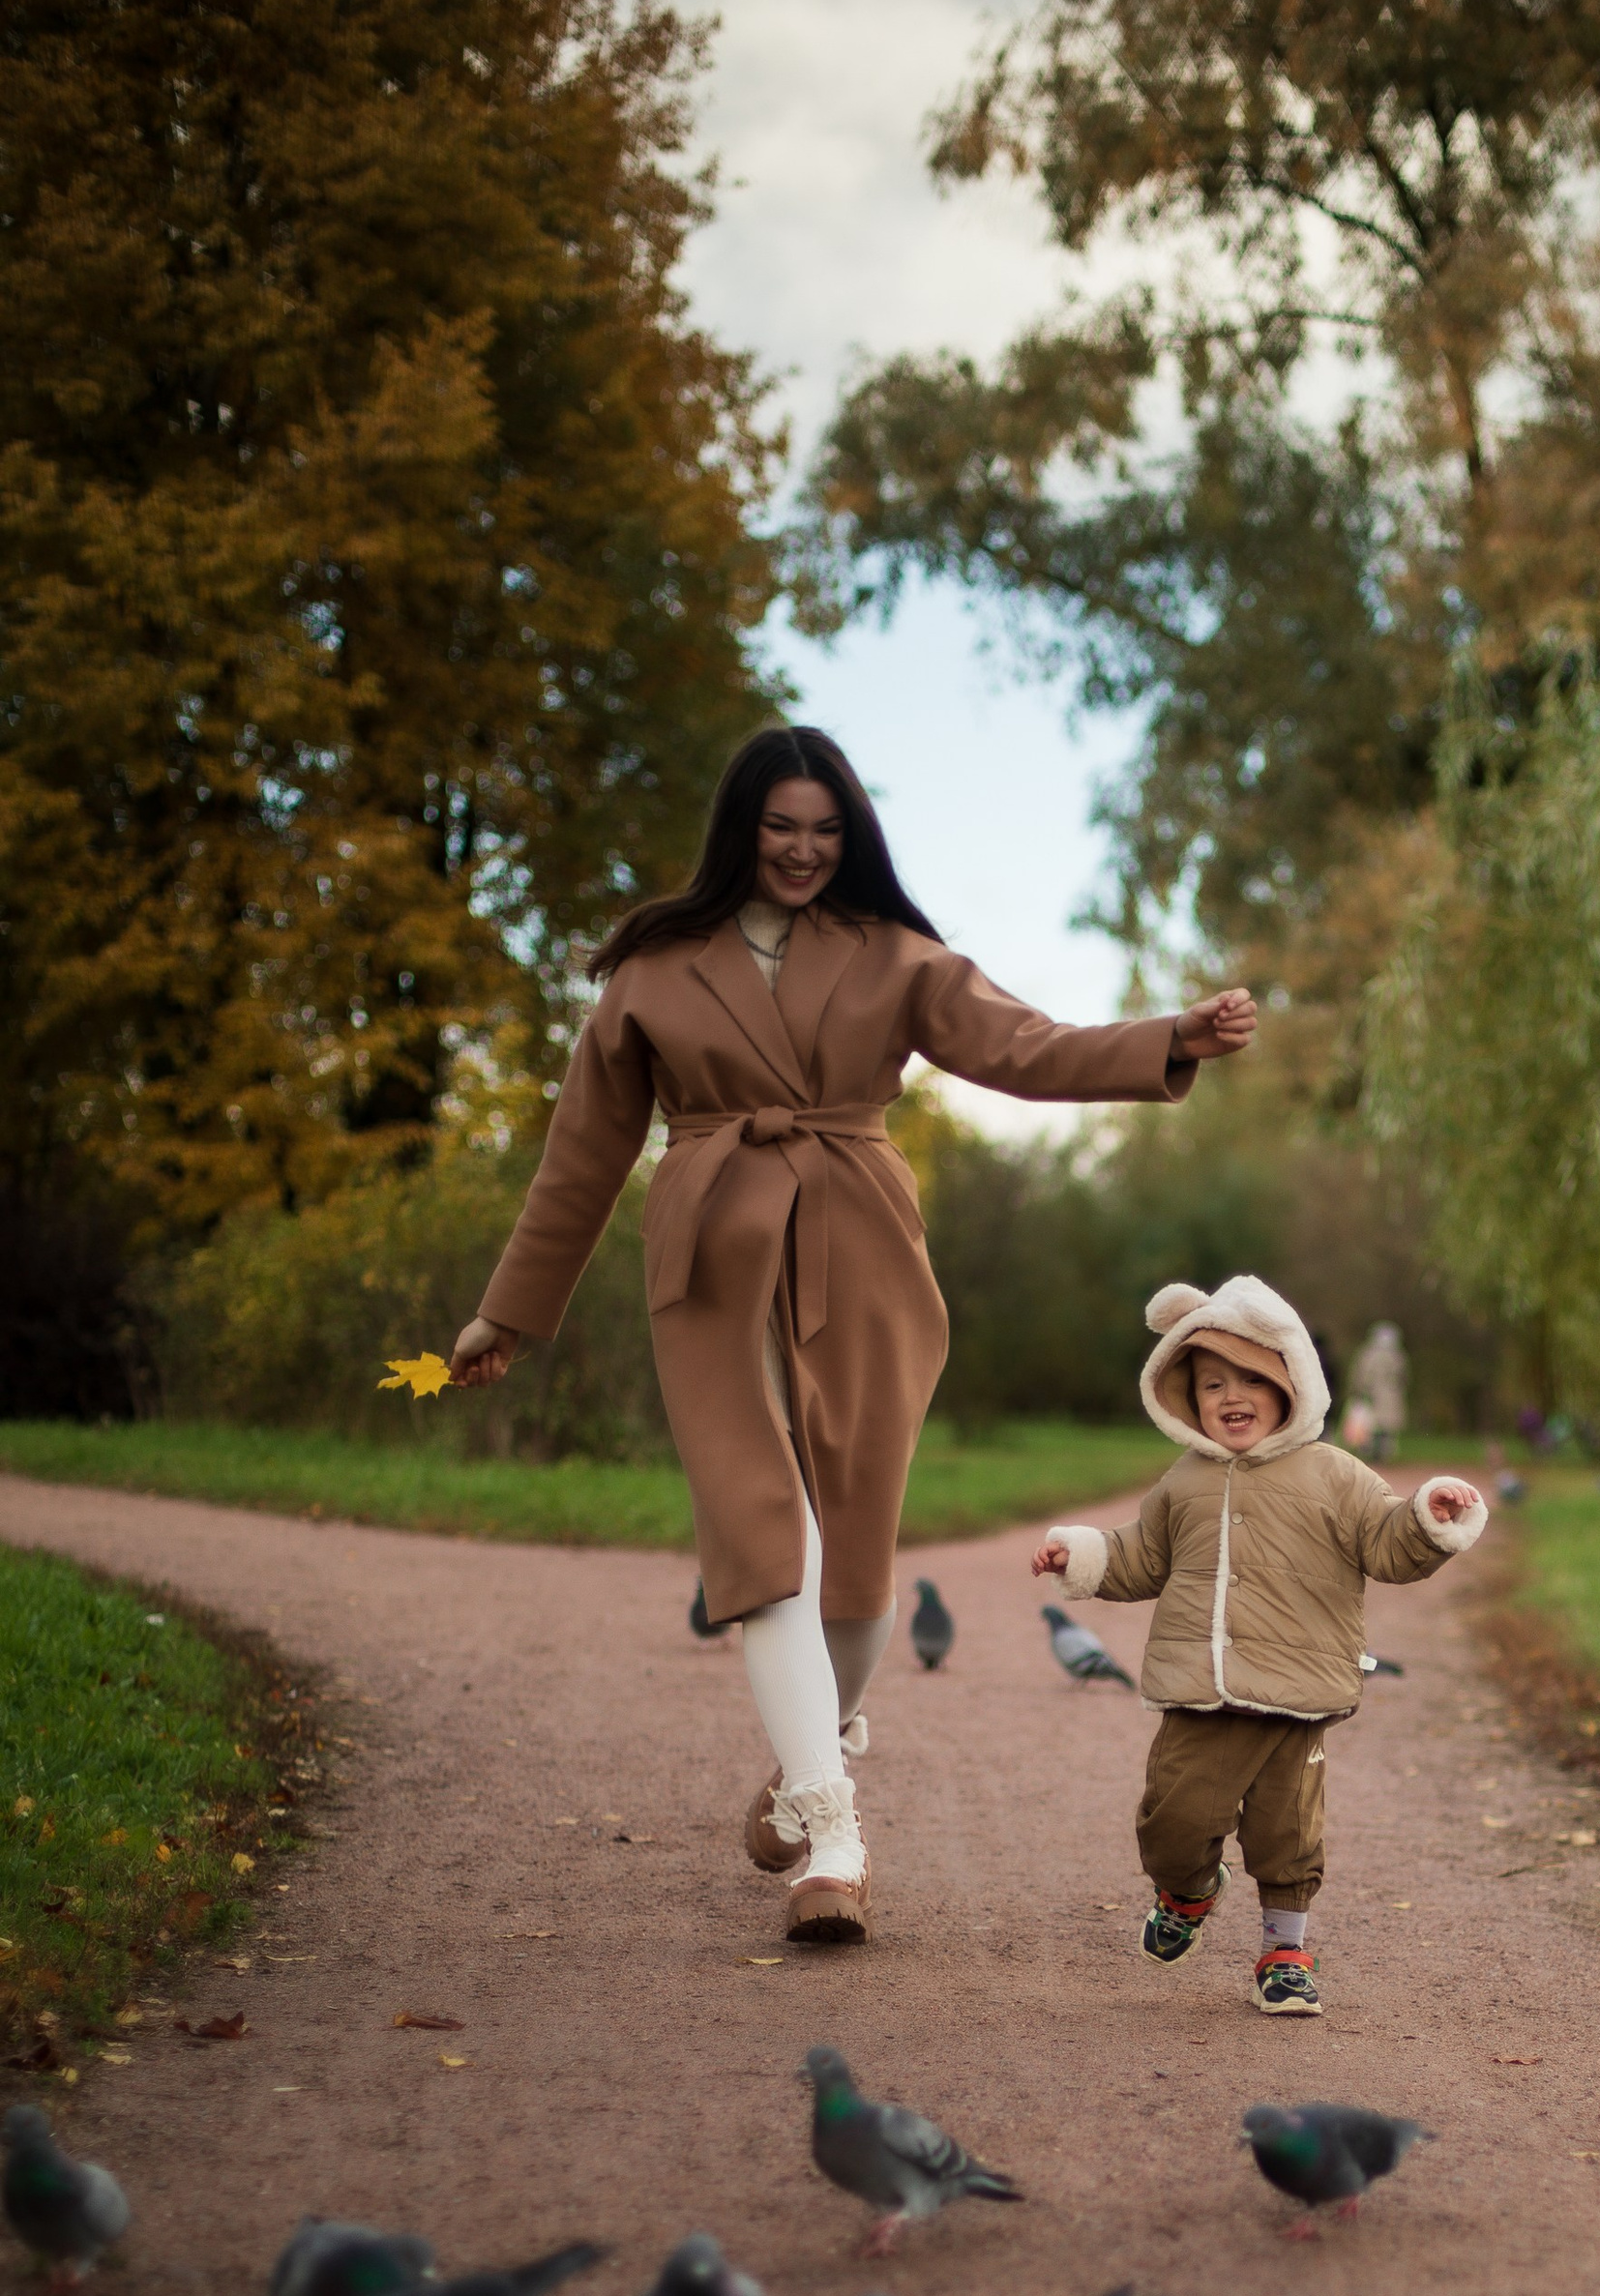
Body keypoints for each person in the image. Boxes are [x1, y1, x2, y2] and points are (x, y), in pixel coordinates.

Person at [449, 725, 1254, 1941]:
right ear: (741, 830)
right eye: (781, 828)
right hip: (711, 1246)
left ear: (851, 838)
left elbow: (1020, 1048)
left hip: (862, 1241)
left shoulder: (893, 955)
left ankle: (801, 1754)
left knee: (860, 1548)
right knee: (762, 1522)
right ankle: (831, 1829)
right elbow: (583, 1152)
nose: (803, 852)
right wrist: (508, 1312)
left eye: (826, 832)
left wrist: (1168, 1040)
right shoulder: (653, 970)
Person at [1032, 1277, 1485, 2016]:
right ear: (1186, 1395)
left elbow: (1387, 1541)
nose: (1230, 1395)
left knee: (1287, 1837)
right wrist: (1080, 1557)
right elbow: (1143, 1555)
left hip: (1299, 1697)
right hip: (1200, 1693)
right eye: (1212, 1382)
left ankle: (1285, 1953)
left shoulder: (1334, 1474)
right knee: (1170, 1823)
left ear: (1292, 1385)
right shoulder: (1185, 1481)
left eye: (1251, 1379)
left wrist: (1428, 1518)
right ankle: (1191, 1888)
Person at [1347, 1318, 1409, 1462]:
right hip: (1386, 1396)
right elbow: (1403, 1378)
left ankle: (1374, 1453)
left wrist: (1359, 1390)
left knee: (1373, 1426)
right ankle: (1380, 1454)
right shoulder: (1398, 1356)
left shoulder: (1368, 1354)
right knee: (1381, 1427)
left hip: (1374, 1395)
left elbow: (1360, 1375)